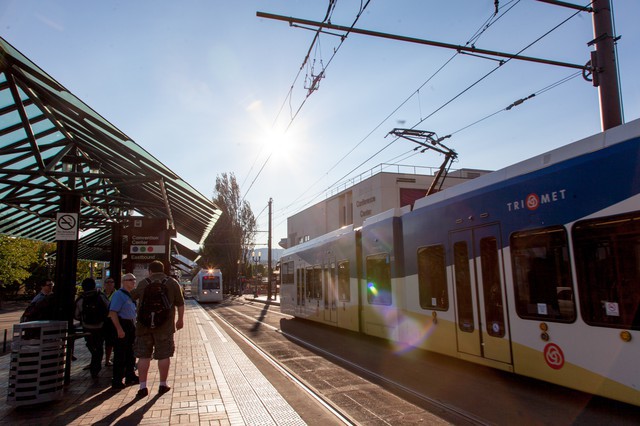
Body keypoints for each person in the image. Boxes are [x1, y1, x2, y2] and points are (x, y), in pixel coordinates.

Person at [132, 260, 184, 398]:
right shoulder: (172, 283)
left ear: (150, 271)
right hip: (165, 326)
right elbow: (180, 303)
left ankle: (143, 387)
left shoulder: (144, 283)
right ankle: (163, 384)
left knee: (143, 356)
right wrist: (180, 319)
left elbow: (133, 296)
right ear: (163, 270)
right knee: (164, 355)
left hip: (144, 326)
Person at [108, 273, 139, 391]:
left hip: (131, 324)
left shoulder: (130, 295)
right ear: (124, 281)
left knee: (131, 352)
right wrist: (119, 329)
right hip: (123, 325)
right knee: (120, 353)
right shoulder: (118, 295)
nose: (133, 282)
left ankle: (130, 375)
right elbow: (113, 312)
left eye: (134, 279)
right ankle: (117, 379)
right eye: (130, 280)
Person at [74, 278, 109, 379]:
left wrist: (83, 320)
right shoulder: (100, 296)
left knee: (91, 345)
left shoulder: (81, 299)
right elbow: (108, 309)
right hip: (100, 327)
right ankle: (96, 367)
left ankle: (94, 363)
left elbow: (76, 315)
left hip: (87, 327)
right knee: (99, 347)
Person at [101, 277, 116, 367]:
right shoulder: (101, 294)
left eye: (111, 282)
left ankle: (107, 359)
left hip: (112, 321)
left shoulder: (117, 294)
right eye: (107, 282)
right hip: (102, 321)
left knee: (110, 342)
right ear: (104, 284)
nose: (109, 284)